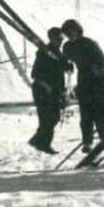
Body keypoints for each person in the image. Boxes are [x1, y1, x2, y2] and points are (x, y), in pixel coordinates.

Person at [61, 19, 104, 151]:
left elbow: (103, 61)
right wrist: (67, 65)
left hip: (99, 81)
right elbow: (65, 60)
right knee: (86, 115)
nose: (70, 35)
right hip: (84, 81)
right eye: (67, 33)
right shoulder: (67, 47)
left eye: (72, 31)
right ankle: (87, 143)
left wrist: (94, 69)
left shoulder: (89, 43)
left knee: (100, 114)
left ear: (78, 30)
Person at [29, 26, 71, 154]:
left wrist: (69, 66)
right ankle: (43, 144)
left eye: (61, 38)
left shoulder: (58, 53)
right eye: (57, 38)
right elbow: (35, 74)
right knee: (47, 118)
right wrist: (46, 86)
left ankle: (37, 140)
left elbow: (62, 69)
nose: (60, 41)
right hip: (42, 90)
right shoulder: (44, 53)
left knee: (54, 117)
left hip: (54, 89)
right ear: (51, 38)